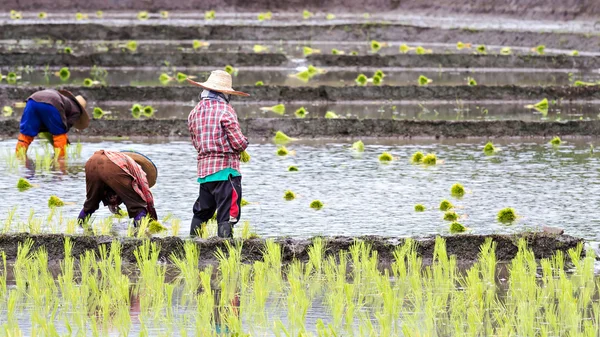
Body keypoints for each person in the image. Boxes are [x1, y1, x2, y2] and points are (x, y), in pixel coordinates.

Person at [186, 70, 249, 238]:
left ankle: (193, 244)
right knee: (227, 214)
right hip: (225, 171)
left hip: (205, 173)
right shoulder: (225, 110)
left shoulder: (194, 112)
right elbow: (237, 142)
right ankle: (226, 249)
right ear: (224, 93)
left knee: (202, 211)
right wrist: (245, 143)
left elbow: (196, 143)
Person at [78, 150, 158, 225]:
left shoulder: (119, 160)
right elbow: (147, 195)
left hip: (92, 161)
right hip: (111, 166)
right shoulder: (138, 171)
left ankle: (79, 226)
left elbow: (114, 191)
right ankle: (141, 232)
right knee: (137, 204)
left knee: (91, 202)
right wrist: (152, 218)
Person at [16, 89, 89, 157]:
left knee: (26, 134)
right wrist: (61, 137)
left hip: (32, 101)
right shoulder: (76, 110)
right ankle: (60, 161)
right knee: (59, 135)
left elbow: (43, 121)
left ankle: (19, 158)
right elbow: (64, 127)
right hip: (52, 103)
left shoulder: (65, 100)